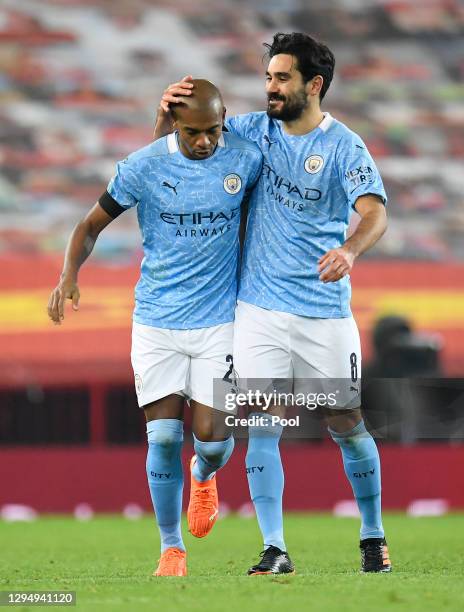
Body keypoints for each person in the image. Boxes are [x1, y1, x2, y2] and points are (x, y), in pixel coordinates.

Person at [154, 32, 391, 575]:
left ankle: (373, 536)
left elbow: (375, 212)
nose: (271, 88)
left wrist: (351, 249)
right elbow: (185, 148)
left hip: (324, 310)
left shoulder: (343, 147)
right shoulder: (250, 131)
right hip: (257, 309)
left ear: (315, 85)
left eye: (282, 78)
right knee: (264, 423)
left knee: (346, 422)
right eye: (268, 77)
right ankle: (274, 548)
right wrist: (167, 114)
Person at [48, 80, 263, 577]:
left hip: (220, 322)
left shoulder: (245, 159)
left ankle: (203, 475)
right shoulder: (144, 166)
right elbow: (89, 226)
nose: (205, 142)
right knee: (163, 438)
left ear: (225, 118)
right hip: (156, 322)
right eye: (193, 133)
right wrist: (68, 276)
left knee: (210, 440)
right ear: (175, 126)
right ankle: (172, 548)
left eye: (213, 130)